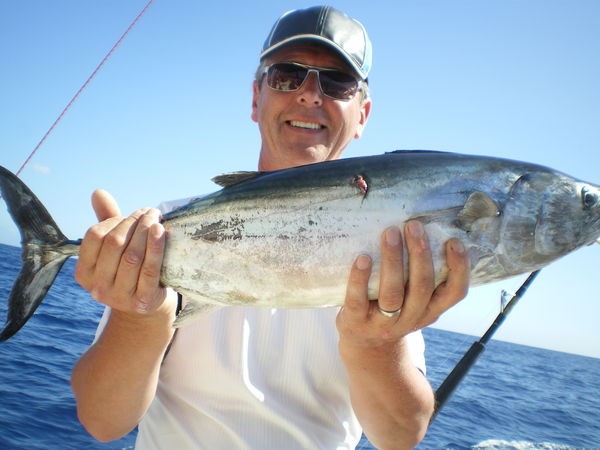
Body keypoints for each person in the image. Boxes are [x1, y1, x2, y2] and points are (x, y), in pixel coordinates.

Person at [71, 6, 470, 449]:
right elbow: (102, 422)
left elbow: (399, 437)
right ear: (255, 97)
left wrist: (376, 344)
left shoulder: (390, 248)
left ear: (363, 114)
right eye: (287, 75)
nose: (310, 95)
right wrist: (140, 315)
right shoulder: (164, 230)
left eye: (337, 82)